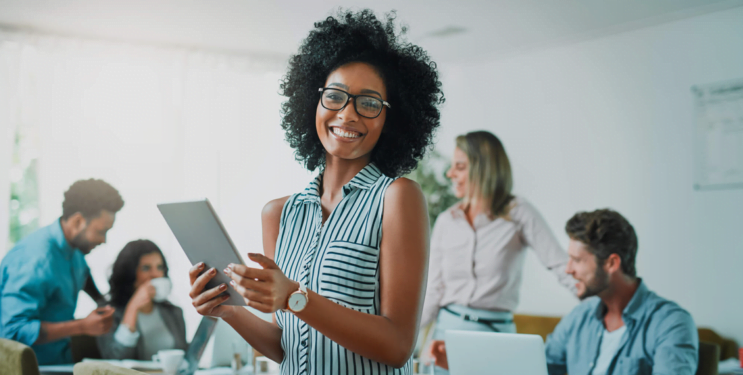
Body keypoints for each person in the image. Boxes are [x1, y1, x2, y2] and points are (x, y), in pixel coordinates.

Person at [187, 9, 444, 374]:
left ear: (392, 119)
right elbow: (285, 345)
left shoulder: (397, 198)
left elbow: (398, 345)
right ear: (314, 101)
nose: (348, 114)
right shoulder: (279, 213)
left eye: (369, 103)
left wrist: (295, 296)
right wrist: (226, 309)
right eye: (335, 96)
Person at [430, 209, 699, 375]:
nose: (568, 269)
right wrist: (464, 363)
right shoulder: (579, 319)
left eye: (578, 260)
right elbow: (535, 371)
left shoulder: (671, 324)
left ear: (612, 263)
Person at [420, 131, 575, 365]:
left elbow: (561, 266)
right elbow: (433, 290)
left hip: (495, 339)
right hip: (444, 339)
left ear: (484, 169)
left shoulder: (519, 213)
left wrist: (605, 301)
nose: (450, 173)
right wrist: (398, 336)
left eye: (460, 167)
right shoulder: (446, 220)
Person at [0, 179, 124, 365]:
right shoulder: (33, 260)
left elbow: (83, 274)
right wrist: (82, 326)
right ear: (78, 221)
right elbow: (15, 330)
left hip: (59, 362)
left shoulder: (75, 250)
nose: (104, 240)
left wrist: (101, 300)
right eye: (101, 231)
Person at [97, 240, 187, 360]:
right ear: (129, 273)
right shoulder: (108, 313)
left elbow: (184, 356)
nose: (155, 274)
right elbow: (115, 358)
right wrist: (132, 308)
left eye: (159, 267)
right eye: (146, 268)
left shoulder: (174, 312)